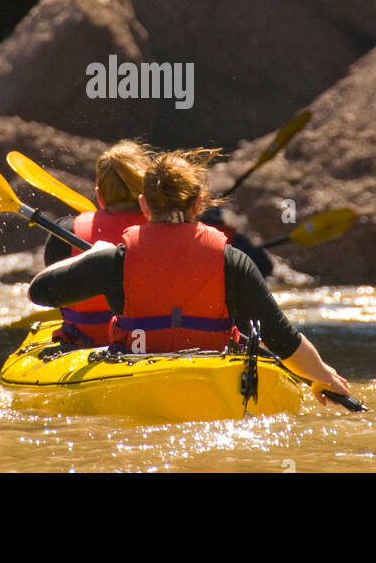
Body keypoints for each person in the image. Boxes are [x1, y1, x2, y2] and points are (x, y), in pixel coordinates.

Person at [29, 148, 350, 404]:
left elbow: (40, 292)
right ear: (198, 203)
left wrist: (93, 255)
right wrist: (322, 374)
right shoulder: (231, 260)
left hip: (136, 381)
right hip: (214, 381)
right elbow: (282, 337)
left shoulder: (117, 259)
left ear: (145, 203)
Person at [40, 140, 153, 347]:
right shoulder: (173, 231)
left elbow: (52, 292)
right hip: (155, 343)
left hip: (87, 342)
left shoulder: (66, 232)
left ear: (99, 196)